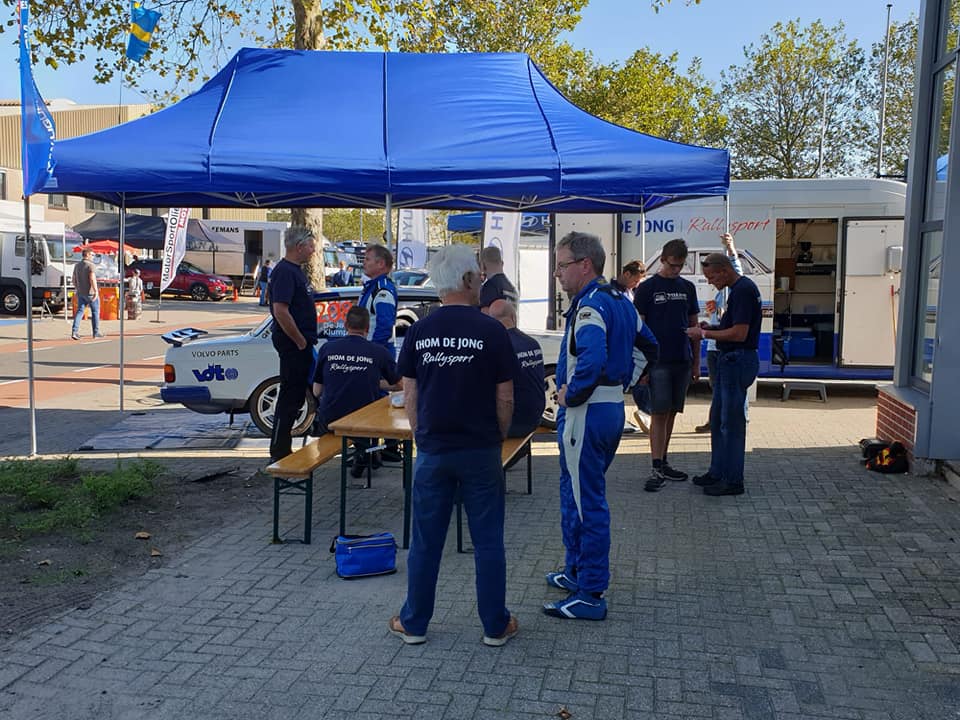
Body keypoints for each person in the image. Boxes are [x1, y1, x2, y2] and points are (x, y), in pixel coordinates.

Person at [389, 243, 520, 648]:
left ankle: (414, 623)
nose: (482, 278)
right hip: (480, 448)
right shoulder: (493, 331)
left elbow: (410, 393)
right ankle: (495, 625)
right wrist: (498, 435)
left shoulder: (419, 330)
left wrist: (421, 434)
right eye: (478, 273)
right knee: (487, 540)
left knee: (426, 541)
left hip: (434, 449)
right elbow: (505, 398)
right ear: (466, 279)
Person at [544, 232, 656, 621]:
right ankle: (576, 572)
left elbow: (591, 360)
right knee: (575, 495)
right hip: (606, 411)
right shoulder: (620, 301)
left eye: (561, 265)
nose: (557, 273)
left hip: (586, 415)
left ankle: (591, 593)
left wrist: (570, 395)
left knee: (586, 501)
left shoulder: (592, 304)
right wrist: (624, 383)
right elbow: (650, 346)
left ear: (585, 265)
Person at [685, 252, 762, 496]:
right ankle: (717, 472)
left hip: (737, 360)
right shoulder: (738, 290)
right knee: (718, 421)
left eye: (712, 277)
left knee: (731, 424)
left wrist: (704, 334)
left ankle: (733, 480)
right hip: (731, 360)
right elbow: (733, 327)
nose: (709, 282)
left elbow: (740, 334)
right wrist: (713, 327)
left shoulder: (743, 291)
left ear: (725, 271)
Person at [633, 238, 700, 492]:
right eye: (672, 265)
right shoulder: (647, 288)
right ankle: (655, 466)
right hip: (658, 361)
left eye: (680, 266)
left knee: (672, 412)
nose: (676, 270)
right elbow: (638, 330)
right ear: (662, 260)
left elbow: (694, 326)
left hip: (681, 360)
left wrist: (695, 363)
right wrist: (643, 367)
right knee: (659, 413)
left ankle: (663, 460)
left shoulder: (688, 287)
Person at [312, 306, 401, 478]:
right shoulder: (379, 352)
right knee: (369, 422)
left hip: (331, 419)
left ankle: (365, 453)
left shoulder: (327, 349)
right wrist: (375, 383)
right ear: (367, 328)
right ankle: (367, 452)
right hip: (364, 421)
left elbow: (317, 391)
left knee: (332, 413)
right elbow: (400, 384)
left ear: (346, 325)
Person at [267, 227, 317, 462]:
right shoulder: (285, 272)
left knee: (296, 397)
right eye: (311, 246)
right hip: (293, 345)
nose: (313, 250)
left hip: (300, 345)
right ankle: (279, 451)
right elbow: (280, 310)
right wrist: (299, 340)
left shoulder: (295, 271)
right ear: (299, 247)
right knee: (289, 397)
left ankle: (283, 448)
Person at [696, 233, 743, 434]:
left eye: (711, 277)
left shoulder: (738, 289)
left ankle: (731, 421)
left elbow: (735, 267)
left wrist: (730, 247)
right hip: (714, 346)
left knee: (729, 388)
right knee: (716, 386)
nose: (709, 282)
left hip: (724, 346)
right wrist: (710, 323)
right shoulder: (719, 295)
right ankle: (715, 420)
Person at [358, 244, 401, 461]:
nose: (363, 263)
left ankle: (383, 449)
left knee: (377, 399)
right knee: (377, 399)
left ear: (381, 264)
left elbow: (384, 324)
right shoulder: (373, 286)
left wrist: (371, 351)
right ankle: (381, 448)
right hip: (376, 350)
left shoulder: (381, 289)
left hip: (378, 351)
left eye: (368, 259)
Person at [488, 299, 545, 437]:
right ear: (513, 317)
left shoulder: (499, 345)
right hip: (535, 418)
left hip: (513, 423)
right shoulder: (532, 343)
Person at [612, 260, 650, 432]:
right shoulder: (613, 293)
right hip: (620, 344)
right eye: (635, 281)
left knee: (637, 378)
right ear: (627, 274)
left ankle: (643, 412)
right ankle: (643, 412)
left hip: (630, 343)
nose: (637, 285)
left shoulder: (629, 292)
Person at [71, 248, 104, 341]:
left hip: (80, 292)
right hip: (90, 293)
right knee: (95, 312)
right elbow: (92, 278)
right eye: (92, 255)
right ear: (88, 255)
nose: (93, 257)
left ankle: (74, 331)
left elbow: (73, 279)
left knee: (80, 311)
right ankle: (96, 332)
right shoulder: (91, 265)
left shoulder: (77, 265)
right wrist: (96, 291)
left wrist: (77, 288)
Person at [478, 245, 519, 311]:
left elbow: (485, 313)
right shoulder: (512, 288)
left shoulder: (490, 286)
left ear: (482, 265)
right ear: (502, 263)